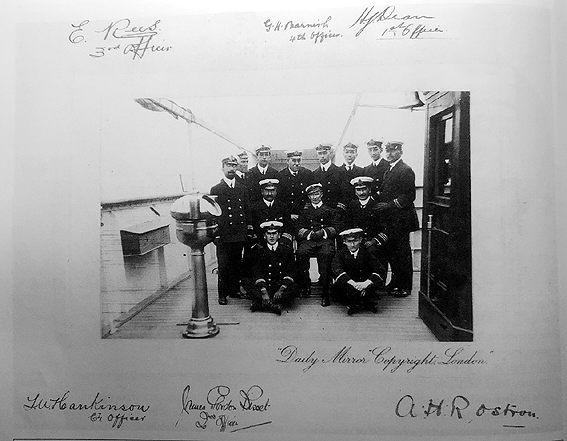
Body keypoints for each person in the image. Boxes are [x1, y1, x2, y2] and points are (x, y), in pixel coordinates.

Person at [374, 141, 420, 297]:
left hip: (402, 219)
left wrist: (389, 205)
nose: (389, 154)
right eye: (387, 151)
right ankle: (395, 281)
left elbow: (409, 196)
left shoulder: (405, 170)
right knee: (393, 253)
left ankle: (405, 286)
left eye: (393, 151)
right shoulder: (390, 169)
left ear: (400, 151)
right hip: (392, 220)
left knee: (403, 254)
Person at [210, 156, 249, 305]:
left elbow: (246, 210)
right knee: (224, 265)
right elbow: (213, 214)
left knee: (237, 263)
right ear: (222, 168)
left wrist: (248, 230)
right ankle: (222, 293)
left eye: (234, 165)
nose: (231, 168)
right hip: (224, 233)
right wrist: (216, 234)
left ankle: (235, 290)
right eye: (228, 165)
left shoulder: (242, 188)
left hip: (239, 232)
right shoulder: (216, 189)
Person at [241, 221, 299, 315]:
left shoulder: (287, 250)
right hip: (264, 286)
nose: (271, 237)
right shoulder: (259, 250)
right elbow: (257, 271)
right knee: (245, 281)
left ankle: (260, 304)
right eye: (269, 233)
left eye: (274, 233)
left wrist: (281, 289)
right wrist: (263, 291)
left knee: (296, 287)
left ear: (279, 235)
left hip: (279, 286)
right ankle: (274, 305)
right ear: (264, 236)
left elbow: (291, 271)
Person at [339, 176, 388, 282]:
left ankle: (375, 282)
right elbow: (347, 224)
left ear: (369, 190)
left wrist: (374, 241)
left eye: (364, 189)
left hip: (372, 242)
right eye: (358, 190)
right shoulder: (353, 205)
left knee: (373, 252)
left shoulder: (377, 206)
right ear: (355, 191)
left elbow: (386, 229)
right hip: (355, 241)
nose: (361, 193)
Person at [296, 183, 337, 306]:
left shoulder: (330, 210)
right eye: (311, 195)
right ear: (309, 197)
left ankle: (325, 291)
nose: (314, 197)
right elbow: (297, 228)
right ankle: (305, 285)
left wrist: (323, 232)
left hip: (325, 240)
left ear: (321, 194)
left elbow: (337, 227)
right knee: (301, 252)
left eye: (317, 194)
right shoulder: (304, 212)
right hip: (309, 240)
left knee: (326, 254)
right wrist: (309, 233)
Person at [331, 228, 386, 315]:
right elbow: (337, 270)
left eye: (355, 241)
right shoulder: (340, 254)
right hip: (349, 284)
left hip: (364, 283)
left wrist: (365, 284)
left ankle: (358, 302)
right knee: (342, 289)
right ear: (344, 242)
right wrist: (354, 284)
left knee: (372, 286)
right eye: (349, 241)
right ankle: (361, 302)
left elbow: (380, 269)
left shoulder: (367, 253)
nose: (352, 245)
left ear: (360, 240)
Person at [246, 178, 293, 248]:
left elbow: (288, 226)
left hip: (280, 242)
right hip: (260, 243)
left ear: (276, 191)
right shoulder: (254, 207)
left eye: (272, 191)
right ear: (262, 191)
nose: (270, 194)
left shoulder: (283, 207)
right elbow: (251, 227)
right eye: (267, 191)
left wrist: (283, 240)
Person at [276, 149, 314, 224]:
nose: (297, 163)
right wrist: (288, 215)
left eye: (299, 160)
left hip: (303, 215)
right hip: (287, 215)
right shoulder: (280, 176)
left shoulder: (307, 174)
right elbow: (278, 199)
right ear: (287, 161)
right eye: (293, 160)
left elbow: (311, 195)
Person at [312, 143, 345, 211]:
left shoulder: (340, 171)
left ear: (330, 153)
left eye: (325, 153)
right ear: (317, 155)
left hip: (335, 210)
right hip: (321, 211)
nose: (322, 156)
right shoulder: (315, 174)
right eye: (320, 154)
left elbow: (344, 193)